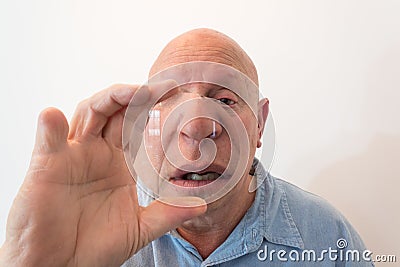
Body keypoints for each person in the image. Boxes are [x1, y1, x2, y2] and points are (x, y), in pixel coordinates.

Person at [0, 29, 372, 266]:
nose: (196, 128)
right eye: (170, 101)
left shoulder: (327, 237)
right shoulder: (92, 229)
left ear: (259, 125)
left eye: (225, 101)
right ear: (144, 125)